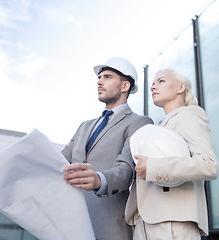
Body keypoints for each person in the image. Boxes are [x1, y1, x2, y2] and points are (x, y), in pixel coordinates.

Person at [62, 57, 153, 240]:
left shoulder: (139, 123)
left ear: (125, 86)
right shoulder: (84, 126)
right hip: (71, 221)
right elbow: (61, 160)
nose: (99, 81)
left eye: (107, 77)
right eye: (100, 77)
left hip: (108, 223)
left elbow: (127, 169)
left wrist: (98, 179)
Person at [125, 68, 219, 240]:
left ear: (180, 87)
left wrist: (153, 167)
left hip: (173, 224)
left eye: (161, 81)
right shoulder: (162, 127)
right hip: (146, 222)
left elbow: (208, 165)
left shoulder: (190, 115)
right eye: (153, 83)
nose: (153, 86)